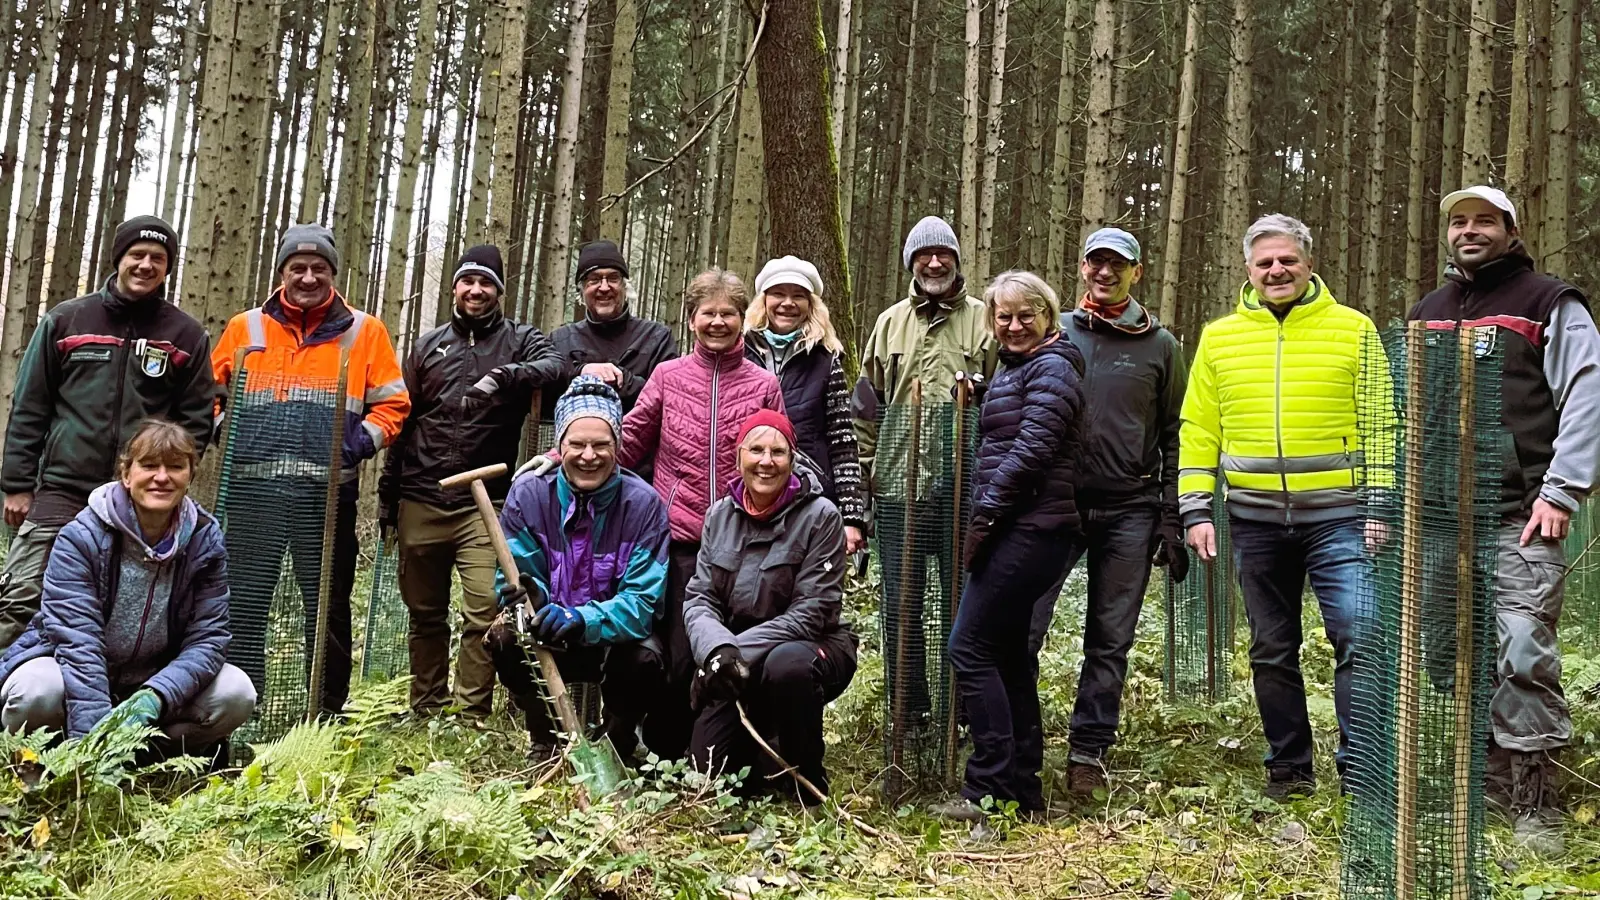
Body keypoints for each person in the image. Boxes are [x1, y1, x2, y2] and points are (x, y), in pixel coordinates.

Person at [1406, 186, 1599, 856]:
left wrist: (1561, 491)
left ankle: (1536, 801)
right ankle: (1484, 783)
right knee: (1449, 656)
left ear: (1511, 231)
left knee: (1522, 650)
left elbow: (1586, 394)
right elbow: (1407, 411)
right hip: (1437, 521)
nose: (1469, 231)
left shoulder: (1549, 302)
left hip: (1519, 516)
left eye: (1484, 220)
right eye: (1458, 221)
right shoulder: (1428, 311)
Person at [1180, 213, 1391, 799]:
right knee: (1271, 647)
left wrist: (1380, 504)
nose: (1277, 270)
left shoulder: (1353, 329)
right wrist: (1196, 509)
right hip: (1254, 521)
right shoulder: (1220, 338)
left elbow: (1381, 423)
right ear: (1248, 270)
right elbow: (1198, 427)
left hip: (1342, 519)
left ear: (1308, 263)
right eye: (1265, 262)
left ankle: (1363, 772)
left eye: (1287, 260)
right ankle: (1290, 770)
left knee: (1361, 633)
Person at [211, 223, 410, 717]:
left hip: (327, 499)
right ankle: (243, 709)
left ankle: (324, 712)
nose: (307, 276)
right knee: (245, 606)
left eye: (318, 268)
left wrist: (360, 442)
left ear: (333, 273)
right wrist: (224, 432)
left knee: (327, 609)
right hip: (253, 493)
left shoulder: (366, 331)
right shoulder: (246, 327)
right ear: (281, 272)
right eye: (297, 267)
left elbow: (393, 403)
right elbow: (209, 397)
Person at [0, 215, 217, 650]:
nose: (146, 265)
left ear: (168, 268)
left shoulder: (186, 335)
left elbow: (195, 420)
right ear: (118, 258)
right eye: (137, 254)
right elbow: (30, 406)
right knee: (23, 599)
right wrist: (18, 485)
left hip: (139, 499)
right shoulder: (67, 320)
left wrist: (166, 476)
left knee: (119, 607)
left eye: (158, 258)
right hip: (63, 487)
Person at [1027, 229, 1187, 796]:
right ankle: (1018, 739)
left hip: (1130, 509)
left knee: (1109, 637)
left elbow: (1174, 433)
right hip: (1056, 505)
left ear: (1136, 273)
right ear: (1081, 267)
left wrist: (1172, 515)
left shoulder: (1161, 345)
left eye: (1117, 265)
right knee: (1026, 625)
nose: (1104, 272)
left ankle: (1088, 752)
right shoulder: (1055, 332)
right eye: (1096, 262)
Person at [379, 245, 564, 718]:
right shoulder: (427, 346)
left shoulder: (520, 339)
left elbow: (555, 367)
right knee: (425, 614)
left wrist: (504, 377)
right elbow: (403, 421)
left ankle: (469, 716)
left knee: (484, 609)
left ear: (499, 291)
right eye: (468, 281)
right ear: (456, 287)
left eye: (487, 283)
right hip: (421, 494)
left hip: (484, 502)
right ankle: (426, 708)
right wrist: (388, 496)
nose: (476, 291)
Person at [0, 419, 255, 754]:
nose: (161, 477)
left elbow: (208, 639)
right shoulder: (81, 537)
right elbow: (78, 642)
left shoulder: (204, 540)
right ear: (126, 474)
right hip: (65, 666)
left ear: (190, 475)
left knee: (237, 693)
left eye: (175, 467)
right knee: (34, 691)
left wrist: (156, 696)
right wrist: (90, 751)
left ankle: (147, 759)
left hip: (154, 676)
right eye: (149, 465)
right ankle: (45, 761)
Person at [932, 272, 1085, 821]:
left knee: (968, 648)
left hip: (1030, 528)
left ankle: (987, 789)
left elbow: (1033, 448)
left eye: (1027, 315)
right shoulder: (1022, 368)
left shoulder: (1054, 367)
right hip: (1023, 527)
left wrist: (989, 511)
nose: (1014, 326)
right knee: (1008, 654)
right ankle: (1023, 789)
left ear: (1049, 317)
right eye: (1004, 317)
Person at [613, 268, 785, 757]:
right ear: (691, 320)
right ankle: (671, 752)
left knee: (739, 649)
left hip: (748, 539)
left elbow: (778, 451)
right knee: (681, 653)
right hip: (682, 539)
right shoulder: (668, 377)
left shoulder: (763, 383)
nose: (717, 322)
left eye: (727, 313)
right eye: (707, 313)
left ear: (742, 320)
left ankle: (737, 752)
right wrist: (564, 458)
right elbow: (630, 439)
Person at [855, 216, 997, 728]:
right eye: (924, 255)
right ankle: (909, 714)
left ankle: (963, 713)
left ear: (958, 261)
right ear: (911, 262)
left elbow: (1006, 399)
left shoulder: (988, 319)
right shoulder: (888, 324)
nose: (934, 263)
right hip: (899, 490)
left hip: (968, 491)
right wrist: (866, 477)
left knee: (967, 607)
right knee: (901, 608)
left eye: (944, 254)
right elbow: (866, 408)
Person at [488, 377, 672, 757]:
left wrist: (581, 618)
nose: (589, 455)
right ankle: (544, 736)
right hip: (549, 631)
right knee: (506, 640)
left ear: (618, 447)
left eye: (601, 444)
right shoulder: (530, 495)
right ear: (560, 447)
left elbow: (642, 603)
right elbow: (510, 575)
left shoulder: (644, 505)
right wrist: (530, 597)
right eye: (577, 444)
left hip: (613, 641)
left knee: (646, 659)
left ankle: (617, 741)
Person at [683, 410, 857, 801]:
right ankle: (764, 756)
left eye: (777, 451)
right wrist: (716, 650)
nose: (766, 461)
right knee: (707, 773)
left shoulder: (821, 516)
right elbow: (700, 597)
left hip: (812, 646)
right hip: (737, 653)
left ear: (793, 459)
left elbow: (812, 612)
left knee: (786, 667)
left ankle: (806, 779)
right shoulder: (719, 515)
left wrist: (732, 654)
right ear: (739, 455)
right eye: (756, 450)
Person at [743, 256, 867, 554]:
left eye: (798, 295)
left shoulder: (826, 362)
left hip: (808, 496)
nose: (787, 303)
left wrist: (851, 517)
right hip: (747, 494)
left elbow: (842, 442)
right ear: (764, 301)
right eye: (778, 294)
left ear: (811, 306)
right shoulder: (739, 353)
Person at [546, 240, 678, 417]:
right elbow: (543, 399)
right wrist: (581, 373)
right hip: (576, 444)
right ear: (582, 290)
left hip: (639, 443)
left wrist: (622, 380)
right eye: (594, 280)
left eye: (613, 278)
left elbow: (671, 400)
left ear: (625, 286)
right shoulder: (560, 340)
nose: (604, 287)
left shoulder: (656, 338)